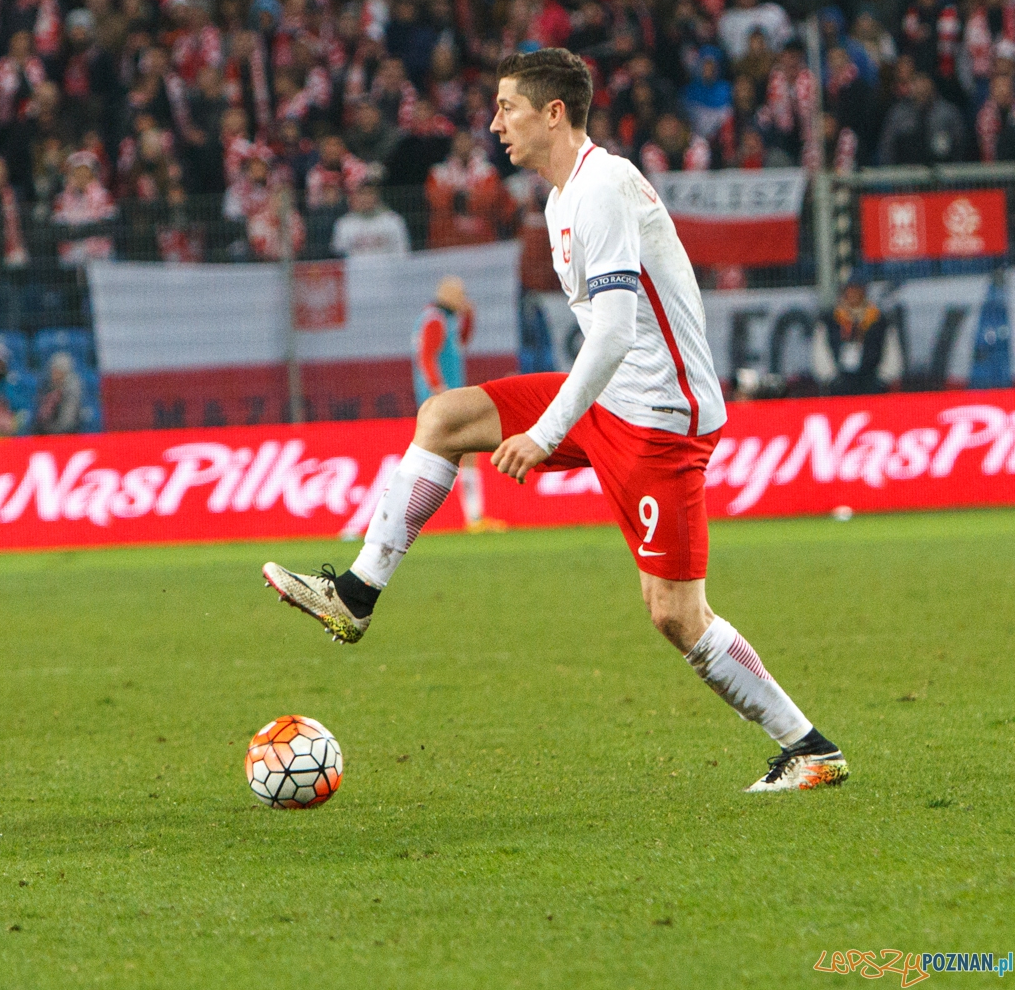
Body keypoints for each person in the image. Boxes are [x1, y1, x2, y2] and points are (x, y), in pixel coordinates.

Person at [263, 49, 849, 795]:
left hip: (660, 418)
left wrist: (544, 433)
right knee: (445, 416)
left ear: (553, 112)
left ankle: (809, 748)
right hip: (610, 400)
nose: (493, 122)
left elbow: (613, 333)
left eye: (506, 107)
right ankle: (356, 594)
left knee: (674, 612)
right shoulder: (558, 198)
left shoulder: (603, 187)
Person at [412, 278, 497, 533]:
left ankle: (474, 517)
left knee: (462, 452)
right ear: (448, 295)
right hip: (443, 399)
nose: (464, 298)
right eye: (461, 294)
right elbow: (426, 357)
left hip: (445, 398)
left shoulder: (441, 319)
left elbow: (461, 341)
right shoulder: (436, 319)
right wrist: (439, 390)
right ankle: (473, 517)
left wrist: (469, 317)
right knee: (463, 451)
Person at [330, 178, 410, 258]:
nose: (366, 198)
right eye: (362, 193)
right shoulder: (344, 223)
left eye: (370, 193)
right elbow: (339, 254)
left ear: (377, 196)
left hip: (386, 269)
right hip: (356, 269)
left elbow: (402, 252)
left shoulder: (393, 221)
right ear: (355, 197)